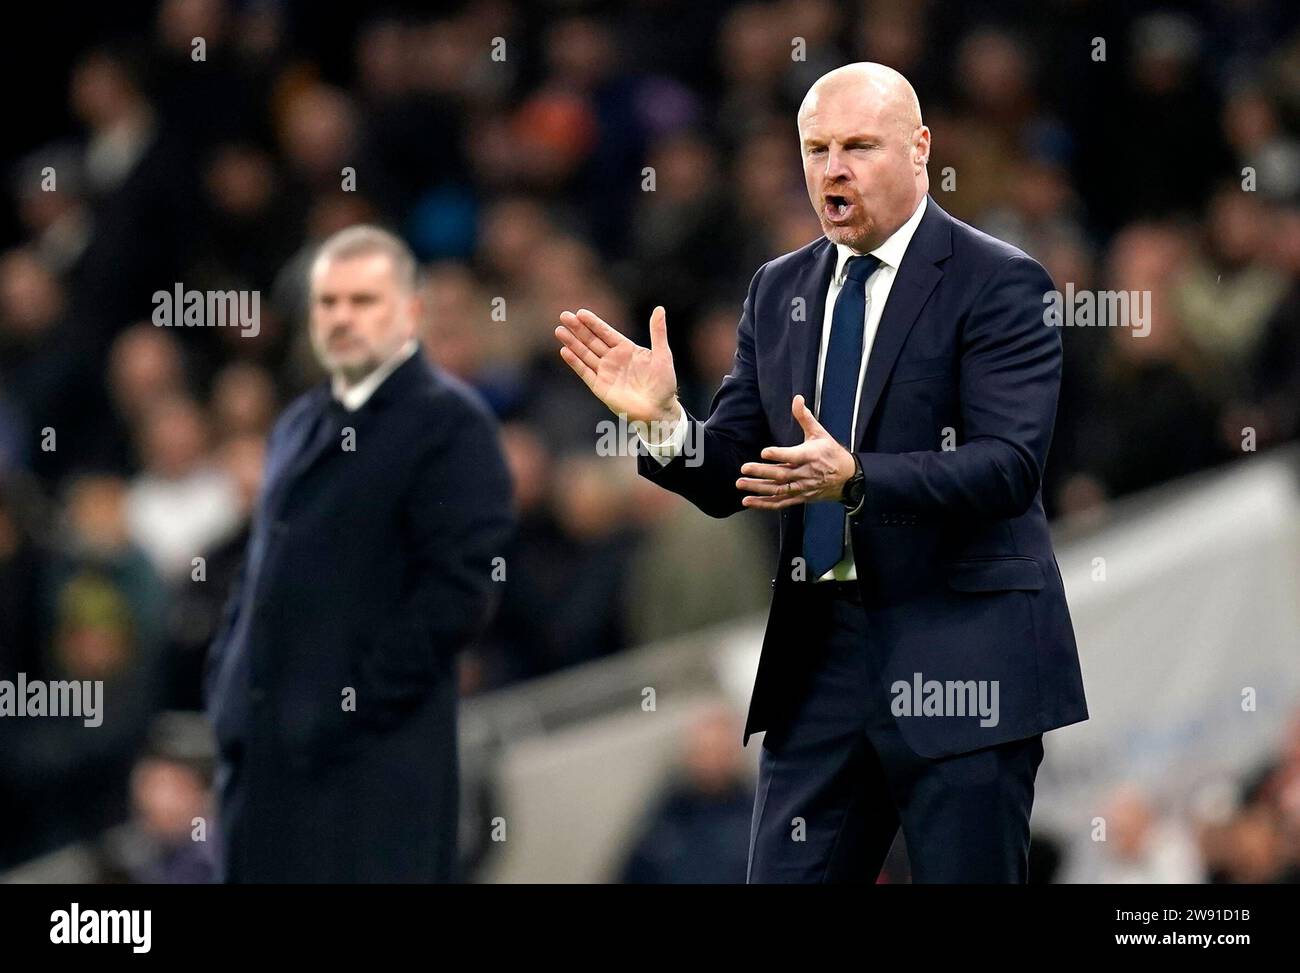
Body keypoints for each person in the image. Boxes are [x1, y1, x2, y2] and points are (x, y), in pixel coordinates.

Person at [555, 63, 1088, 883]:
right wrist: (664, 421)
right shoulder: (778, 290)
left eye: (859, 147)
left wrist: (857, 478)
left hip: (964, 663)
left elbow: (1007, 467)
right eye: (817, 149)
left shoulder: (1000, 281)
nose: (832, 169)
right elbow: (738, 465)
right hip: (820, 667)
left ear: (920, 150)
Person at [204, 225, 514, 882]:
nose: (342, 317)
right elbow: (263, 572)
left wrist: (345, 707)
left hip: (366, 776)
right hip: (263, 771)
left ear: (411, 311)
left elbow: (459, 594)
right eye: (328, 302)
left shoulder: (448, 423)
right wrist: (228, 685)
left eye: (363, 301)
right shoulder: (297, 423)